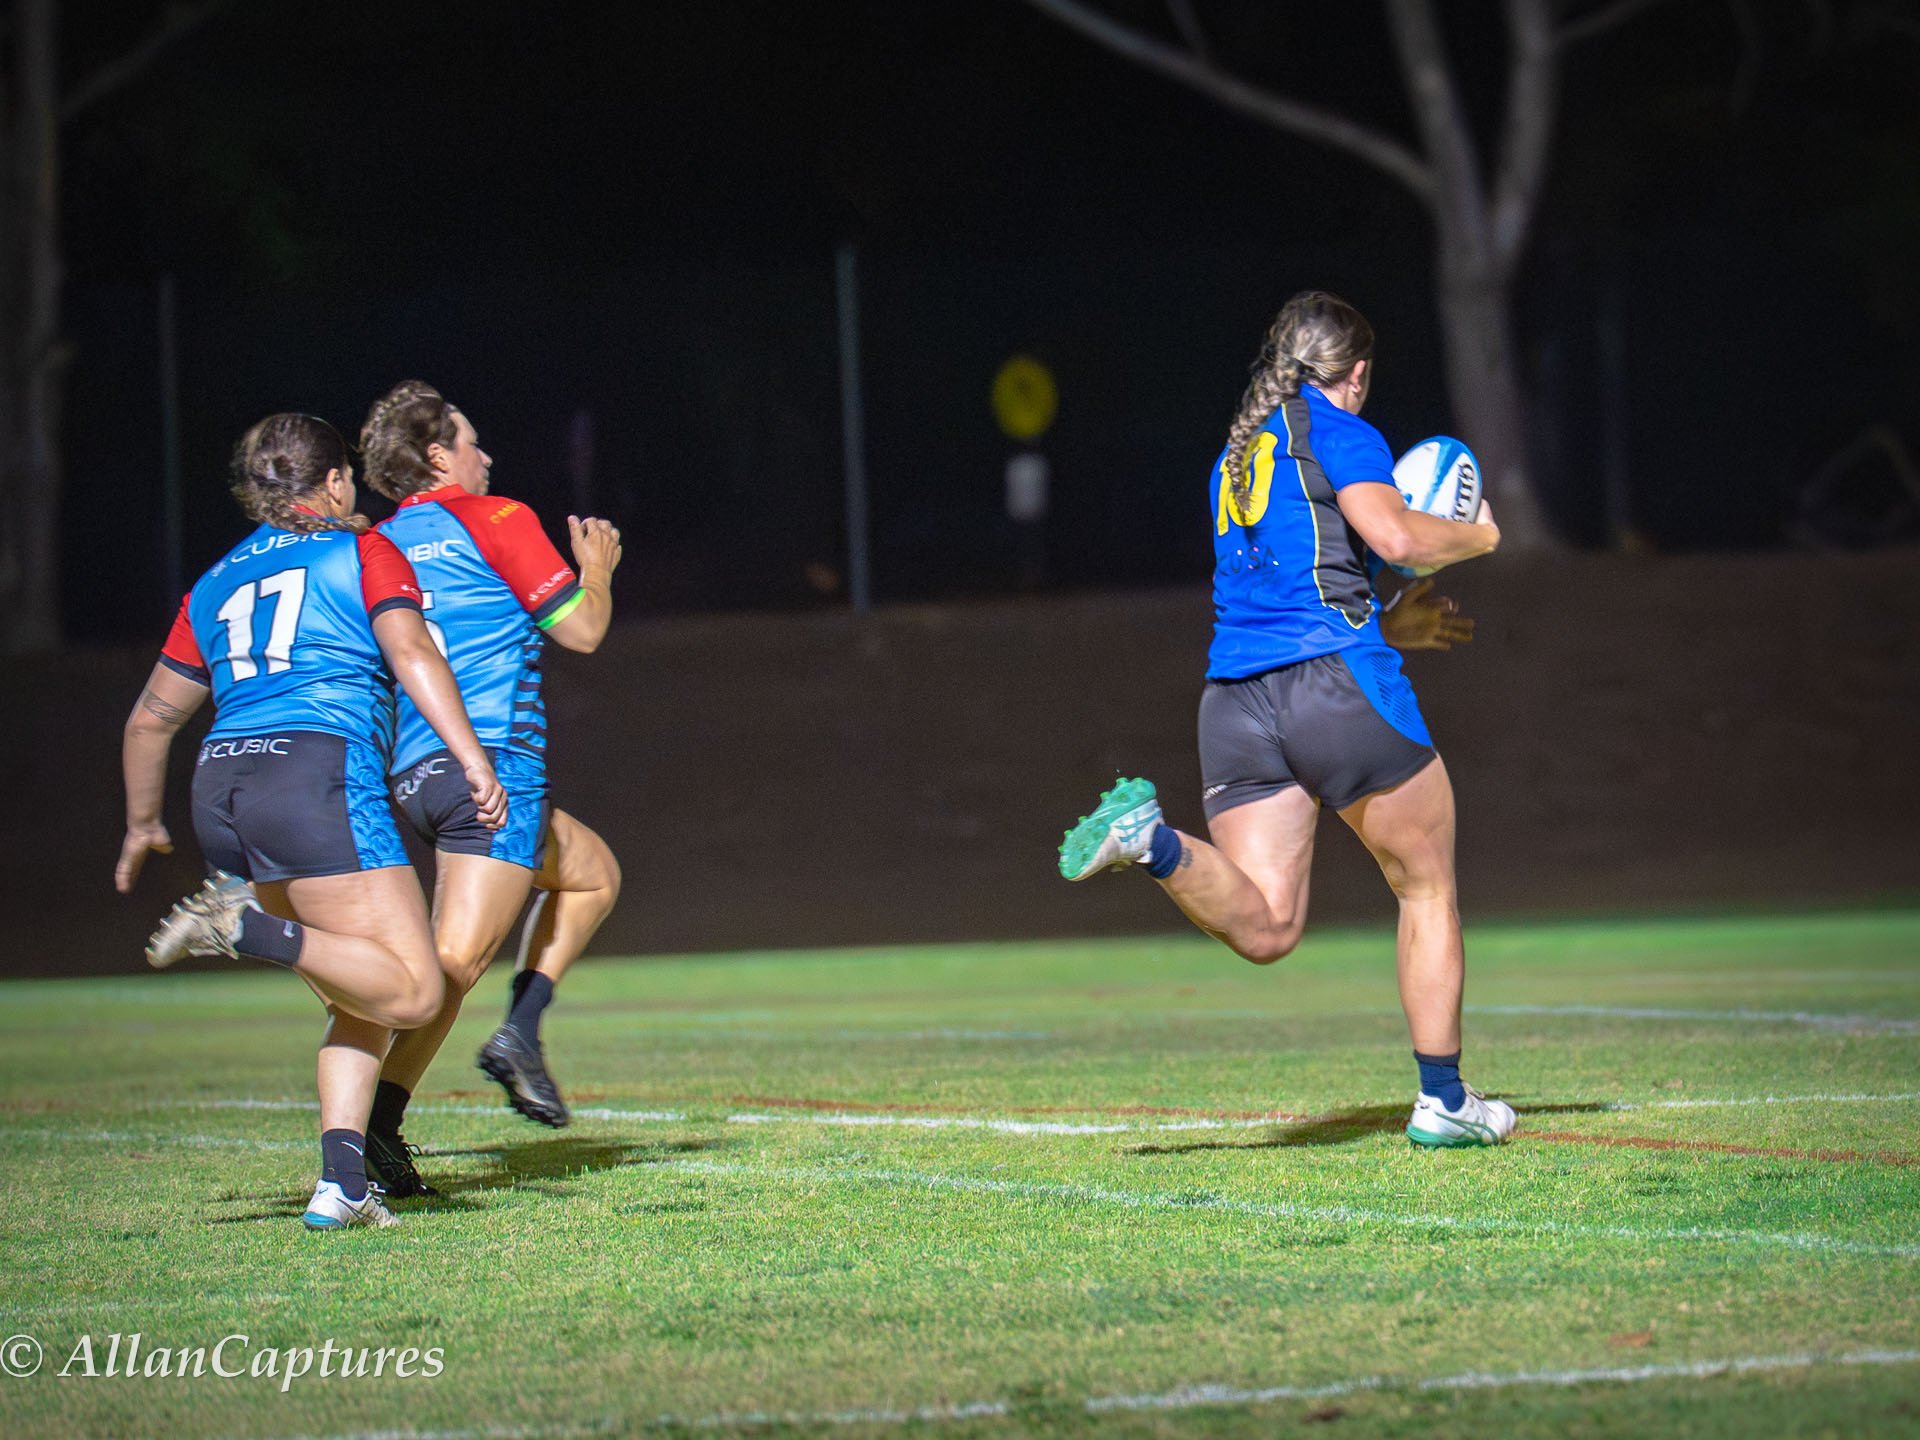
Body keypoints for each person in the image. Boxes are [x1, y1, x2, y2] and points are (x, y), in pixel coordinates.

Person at [1057, 290, 1514, 1148]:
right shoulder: (1338, 429)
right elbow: (1401, 542)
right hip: (1335, 689)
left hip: (1234, 705)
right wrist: (1484, 537)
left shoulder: (1234, 456)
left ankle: (1151, 840)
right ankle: (1445, 1102)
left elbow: (1297, 586)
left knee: (1267, 926)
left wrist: (1388, 622)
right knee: (1426, 886)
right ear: (1358, 373)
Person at [116, 413, 507, 1229]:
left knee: (354, 989)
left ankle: (343, 1185)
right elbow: (413, 654)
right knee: (412, 988)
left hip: (222, 785)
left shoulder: (217, 579)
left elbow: (151, 720)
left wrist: (142, 823)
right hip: (314, 773)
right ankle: (243, 930)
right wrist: (470, 757)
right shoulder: (360, 549)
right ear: (333, 482)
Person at [352, 381, 622, 1198]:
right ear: (439, 458)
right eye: (471, 440)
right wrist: (595, 569)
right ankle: (365, 1125)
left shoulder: (378, 544)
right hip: (492, 767)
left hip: (413, 771)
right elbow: (583, 630)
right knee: (452, 964)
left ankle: (519, 1035)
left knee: (593, 873)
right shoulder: (497, 517)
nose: (485, 454)